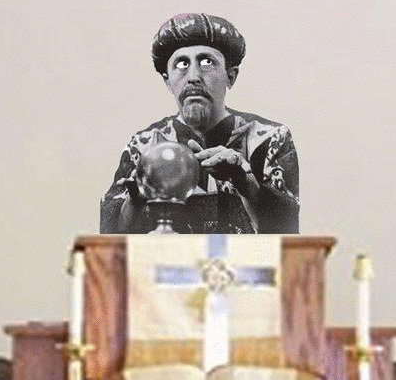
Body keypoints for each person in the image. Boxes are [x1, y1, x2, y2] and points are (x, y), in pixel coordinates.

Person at [100, 13, 300, 234]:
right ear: (168, 81)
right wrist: (137, 198)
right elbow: (109, 239)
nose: (193, 76)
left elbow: (289, 234)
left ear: (230, 76)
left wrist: (245, 182)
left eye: (206, 62)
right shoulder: (143, 146)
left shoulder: (269, 138)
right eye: (182, 64)